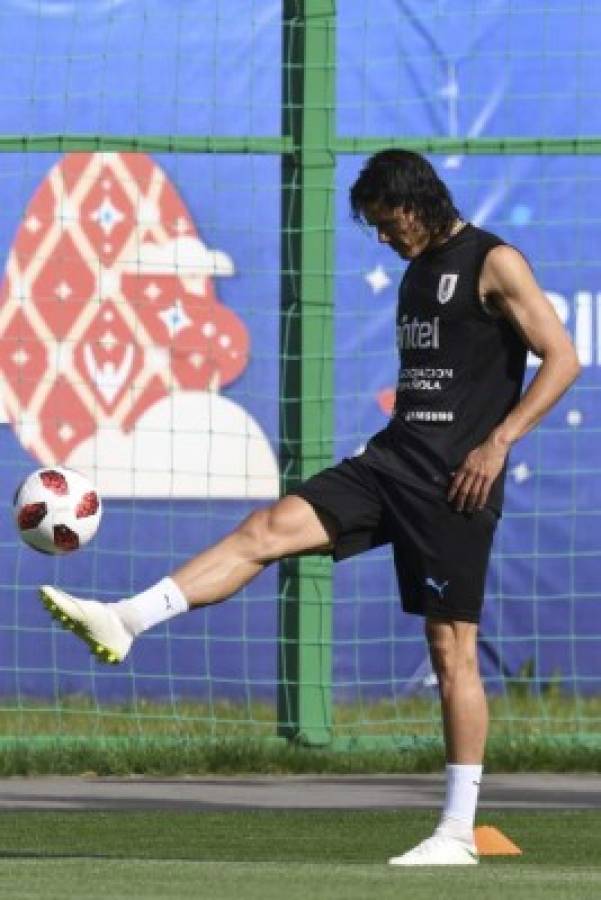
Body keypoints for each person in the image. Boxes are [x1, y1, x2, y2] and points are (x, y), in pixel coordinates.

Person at [39, 150, 580, 866]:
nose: (382, 240)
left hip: (455, 485)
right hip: (390, 463)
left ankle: (455, 832)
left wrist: (498, 442)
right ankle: (127, 619)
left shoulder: (493, 262)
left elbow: (562, 358)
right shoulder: (416, 269)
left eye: (387, 225)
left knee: (451, 652)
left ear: (415, 206)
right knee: (263, 530)